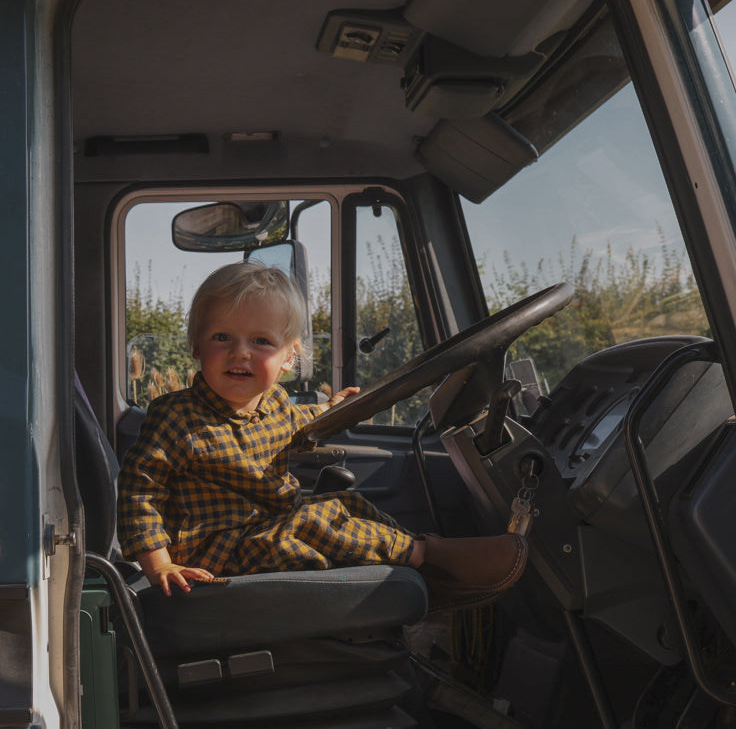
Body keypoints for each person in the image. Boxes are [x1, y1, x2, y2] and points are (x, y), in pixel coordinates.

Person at [117, 260, 527, 610]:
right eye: (222, 337)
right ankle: (429, 557)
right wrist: (159, 564)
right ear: (195, 346)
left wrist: (330, 411)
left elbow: (297, 423)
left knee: (346, 502)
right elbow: (139, 492)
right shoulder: (174, 416)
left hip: (266, 529)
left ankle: (417, 563)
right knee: (316, 521)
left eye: (261, 341)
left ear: (288, 358)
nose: (240, 353)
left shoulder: (274, 403)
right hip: (214, 550)